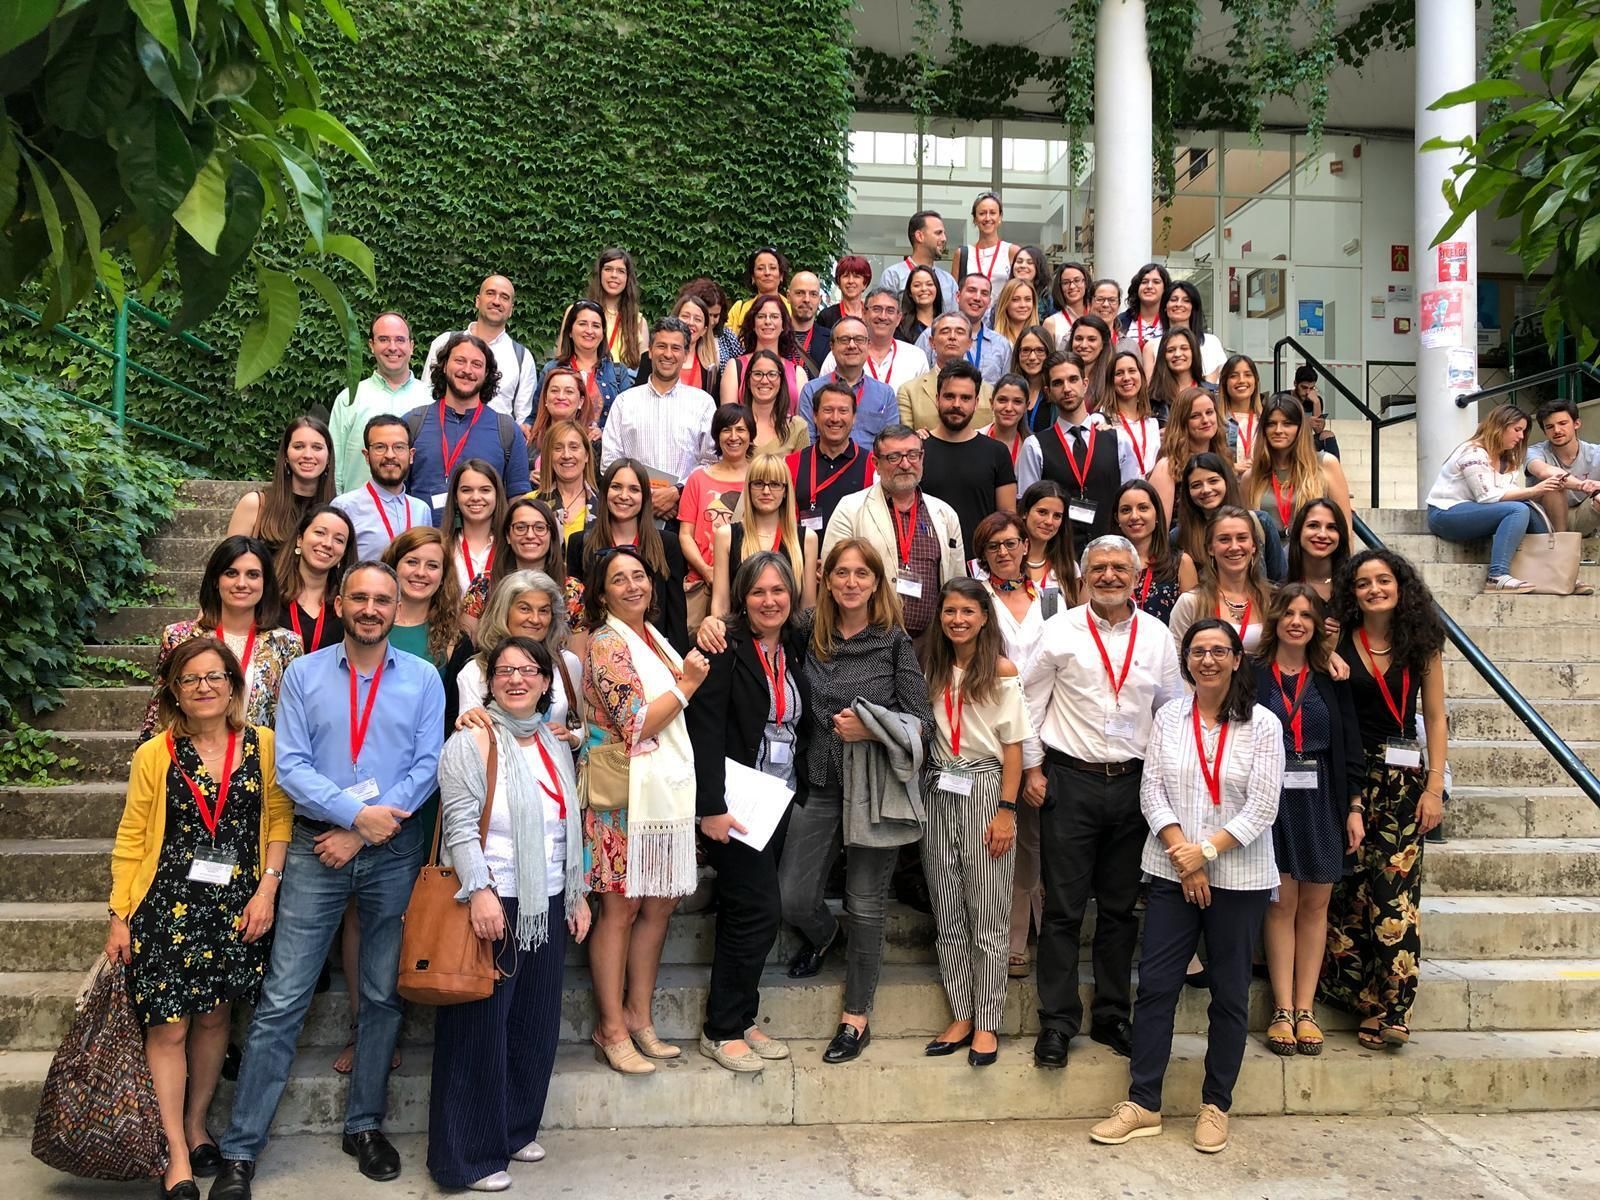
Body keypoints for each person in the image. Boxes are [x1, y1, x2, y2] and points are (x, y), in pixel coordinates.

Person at [209, 562, 445, 1198]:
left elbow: (428, 766)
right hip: (317, 849)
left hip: (394, 849)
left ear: (398, 608)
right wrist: (352, 816)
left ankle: (363, 1125)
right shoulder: (304, 674)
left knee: (380, 994)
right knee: (284, 995)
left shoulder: (423, 678)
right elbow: (290, 766)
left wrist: (368, 827)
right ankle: (240, 1148)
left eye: (383, 600)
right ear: (339, 603)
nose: (371, 609)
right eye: (360, 598)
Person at [1089, 618, 1282, 1154]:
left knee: (1228, 993)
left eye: (1219, 650)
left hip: (1239, 877)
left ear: (1236, 659)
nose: (1209, 660)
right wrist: (1187, 859)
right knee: (1155, 987)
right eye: (1198, 652)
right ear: (1187, 661)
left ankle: (1215, 1104)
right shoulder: (1171, 717)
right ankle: (1144, 1101)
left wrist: (1208, 852)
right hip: (1174, 872)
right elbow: (1152, 791)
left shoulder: (1263, 724)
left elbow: (1264, 804)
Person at [108, 639, 292, 1199]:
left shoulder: (263, 744)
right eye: (191, 680)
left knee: (214, 1020)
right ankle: (176, 1150)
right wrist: (120, 913)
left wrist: (268, 890)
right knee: (169, 1027)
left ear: (234, 687)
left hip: (238, 906)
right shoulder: (155, 754)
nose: (204, 687)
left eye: (215, 677)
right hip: (165, 905)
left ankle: (196, 1122)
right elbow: (132, 835)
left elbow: (280, 820)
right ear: (175, 692)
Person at [427, 634, 588, 1192]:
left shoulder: (552, 741)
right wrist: (480, 892)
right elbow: (459, 825)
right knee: (479, 1029)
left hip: (545, 901)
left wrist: (579, 893)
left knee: (535, 1024)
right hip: (493, 898)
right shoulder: (470, 742)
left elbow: (569, 826)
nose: (516, 679)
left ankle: (516, 1129)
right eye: (504, 671)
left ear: (547, 683)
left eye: (528, 671)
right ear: (489, 680)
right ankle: (467, 1157)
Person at [1022, 535, 1183, 1068]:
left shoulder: (1158, 637)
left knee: (1118, 910)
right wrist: (1033, 767)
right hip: (1071, 782)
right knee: (1064, 911)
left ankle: (1113, 1014)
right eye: (1100, 568)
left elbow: (1171, 711)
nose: (1110, 576)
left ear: (1137, 575)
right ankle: (1058, 1022)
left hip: (1134, 787)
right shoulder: (1060, 629)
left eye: (1120, 567)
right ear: (1084, 574)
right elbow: (1028, 701)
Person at [780, 538, 934, 1062]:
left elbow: (923, 723)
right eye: (841, 573)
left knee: (866, 907)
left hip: (873, 792)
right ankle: (823, 937)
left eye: (861, 574)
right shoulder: (806, 632)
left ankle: (856, 1016)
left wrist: (871, 729)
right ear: (826, 579)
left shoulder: (892, 641)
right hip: (819, 783)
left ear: (876, 582)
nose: (850, 582)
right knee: (793, 898)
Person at [581, 547, 709, 1075]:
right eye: (619, 579)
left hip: (662, 793)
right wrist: (688, 685)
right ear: (603, 592)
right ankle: (610, 1026)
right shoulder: (607, 643)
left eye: (639, 575)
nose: (632, 585)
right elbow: (636, 723)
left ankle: (639, 1014)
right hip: (623, 798)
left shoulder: (654, 638)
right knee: (621, 908)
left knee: (659, 904)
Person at [683, 552, 810, 1071]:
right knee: (755, 910)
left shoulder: (797, 645)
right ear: (742, 597)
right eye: (758, 592)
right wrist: (709, 807)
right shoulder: (724, 648)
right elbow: (705, 730)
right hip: (733, 805)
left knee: (752, 912)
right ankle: (720, 1027)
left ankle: (742, 1015)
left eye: (779, 591)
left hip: (776, 798)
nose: (770, 600)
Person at [1321, 549, 1448, 1050]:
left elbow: (1435, 718)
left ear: (1401, 586)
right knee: (1350, 894)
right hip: (1347, 776)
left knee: (1394, 897)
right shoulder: (1338, 639)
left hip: (1402, 782)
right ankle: (1363, 1002)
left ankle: (1396, 1006)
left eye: (1384, 580)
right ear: (1351, 592)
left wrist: (1434, 787)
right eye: (1364, 582)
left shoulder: (1422, 642)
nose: (1375, 589)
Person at [919, 578, 1032, 1066]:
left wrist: (1007, 811)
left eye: (968, 611)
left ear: (985, 617)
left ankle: (987, 1020)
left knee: (987, 908)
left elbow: (1013, 750)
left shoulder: (1001, 670)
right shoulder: (930, 666)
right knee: (947, 904)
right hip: (940, 785)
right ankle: (961, 1011)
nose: (958, 620)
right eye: (950, 611)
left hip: (986, 788)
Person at [1253, 584, 1364, 1058]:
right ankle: (1281, 1009)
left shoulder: (1331, 675)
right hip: (1269, 798)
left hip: (1320, 797)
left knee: (1315, 906)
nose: (1297, 621)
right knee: (1280, 904)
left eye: (1306, 614)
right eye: (1289, 613)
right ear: (1275, 619)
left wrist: (1355, 806)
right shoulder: (1254, 676)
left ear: (1317, 624)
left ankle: (1306, 1009)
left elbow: (1351, 743)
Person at [139, 537, 302, 742]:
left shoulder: (286, 644)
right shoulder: (180, 636)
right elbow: (159, 712)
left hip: (259, 764)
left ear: (265, 583)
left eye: (252, 574)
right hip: (190, 764)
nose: (241, 583)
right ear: (216, 580)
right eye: (231, 573)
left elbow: (292, 720)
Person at [822, 424, 967, 643]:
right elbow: (832, 574)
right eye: (894, 457)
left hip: (932, 643)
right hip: (867, 639)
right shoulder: (850, 509)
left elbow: (957, 581)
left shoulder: (945, 514)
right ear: (875, 464)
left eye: (912, 455)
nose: (906, 464)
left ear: (922, 458)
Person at [1426, 402, 1561, 593]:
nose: (1521, 436)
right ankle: (1496, 576)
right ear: (1499, 426)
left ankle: (1555, 572)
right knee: (1519, 509)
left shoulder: (1507, 459)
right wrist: (1535, 491)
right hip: (1445, 514)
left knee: (1528, 509)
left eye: (1523, 431)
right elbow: (1487, 497)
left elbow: (1510, 496)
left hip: (1476, 513)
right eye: (1517, 429)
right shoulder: (1473, 452)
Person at [566, 458, 691, 652]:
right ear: (605, 491)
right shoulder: (579, 544)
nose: (624, 495)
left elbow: (676, 617)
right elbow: (577, 615)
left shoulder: (667, 544)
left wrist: (679, 667)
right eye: (616, 487)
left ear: (644, 497)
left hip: (654, 654)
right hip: (600, 654)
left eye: (634, 489)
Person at [601, 317, 717, 525]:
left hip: (684, 517)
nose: (668, 354)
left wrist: (676, 492)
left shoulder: (703, 404)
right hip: (631, 515)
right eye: (661, 346)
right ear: (651, 350)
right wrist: (644, 496)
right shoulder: (625, 402)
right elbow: (609, 462)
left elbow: (711, 462)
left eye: (676, 348)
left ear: (685, 354)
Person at [405, 332, 532, 519]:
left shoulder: (507, 430)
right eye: (460, 361)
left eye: (477, 364)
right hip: (422, 543)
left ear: (487, 373)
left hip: (486, 544)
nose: (467, 370)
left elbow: (518, 500)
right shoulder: (412, 423)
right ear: (445, 364)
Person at [1015, 350, 1139, 543]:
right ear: (1047, 392)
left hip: (1111, 550)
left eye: (1073, 379)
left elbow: (1132, 500)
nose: (1067, 388)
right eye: (1058, 383)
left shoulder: (1118, 440)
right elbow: (1029, 510)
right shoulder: (1034, 446)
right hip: (1059, 556)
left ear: (1085, 384)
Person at [457, 570, 586, 741]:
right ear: (504, 612)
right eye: (525, 609)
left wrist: (573, 739)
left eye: (543, 611)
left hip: (558, 764)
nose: (535, 619)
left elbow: (580, 723)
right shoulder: (475, 671)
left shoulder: (568, 664)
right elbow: (470, 736)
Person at [918, 359, 1017, 550]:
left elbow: (1007, 518)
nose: (957, 404)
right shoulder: (917, 451)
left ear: (976, 402)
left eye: (965, 398)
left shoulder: (997, 452)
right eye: (949, 396)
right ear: (937, 398)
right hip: (927, 558)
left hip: (979, 565)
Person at [328, 313, 431, 494]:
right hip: (356, 516)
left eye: (400, 340)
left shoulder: (431, 399)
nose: (392, 347)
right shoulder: (349, 399)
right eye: (383, 339)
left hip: (415, 516)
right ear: (371, 345)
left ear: (411, 346)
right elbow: (334, 468)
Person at [710, 453, 820, 618]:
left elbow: (808, 608)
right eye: (759, 483)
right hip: (740, 637)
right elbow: (721, 603)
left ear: (785, 491)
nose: (766, 491)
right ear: (748, 488)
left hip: (789, 638)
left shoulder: (806, 539)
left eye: (775, 484)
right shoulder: (727, 535)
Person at [420, 275, 538, 429]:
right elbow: (426, 395)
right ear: (477, 301)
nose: (496, 301)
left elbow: (524, 419)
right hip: (441, 436)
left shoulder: (522, 357)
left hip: (494, 445)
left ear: (511, 310)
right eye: (490, 293)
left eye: (504, 297)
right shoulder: (444, 342)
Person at [677, 405, 757, 631]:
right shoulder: (698, 478)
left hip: (749, 583)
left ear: (751, 435)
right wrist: (706, 570)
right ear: (716, 435)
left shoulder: (758, 478)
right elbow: (685, 535)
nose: (733, 437)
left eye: (741, 430)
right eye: (726, 430)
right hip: (703, 583)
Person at [1245, 393, 1355, 551]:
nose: (1278, 430)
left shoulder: (1326, 464)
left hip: (1314, 564)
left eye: (1287, 423)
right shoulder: (1251, 477)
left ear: (1300, 428)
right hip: (1268, 568)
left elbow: (1345, 527)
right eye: (1271, 424)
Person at [1169, 505, 1276, 653]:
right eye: (1224, 539)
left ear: (1254, 547)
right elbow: (1178, 662)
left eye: (1242, 538)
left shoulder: (1272, 601)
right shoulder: (1191, 603)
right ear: (1210, 548)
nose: (1234, 546)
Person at [227, 417, 335, 557]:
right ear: (285, 455)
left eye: (317, 447)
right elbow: (228, 566)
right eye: (298, 446)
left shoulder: (339, 509)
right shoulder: (256, 505)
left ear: (328, 457)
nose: (308, 455)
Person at [333, 416, 434, 562]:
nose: (390, 455)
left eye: (399, 447)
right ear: (367, 456)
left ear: (411, 455)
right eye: (380, 447)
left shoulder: (421, 510)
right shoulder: (345, 507)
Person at [1173, 452, 1286, 582]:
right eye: (1196, 485)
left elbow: (1280, 581)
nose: (1206, 489)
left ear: (1227, 482)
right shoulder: (1179, 536)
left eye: (1213, 481)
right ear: (1188, 492)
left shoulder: (1260, 522)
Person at [462, 496, 566, 629]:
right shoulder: (483, 585)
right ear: (508, 536)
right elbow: (467, 646)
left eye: (539, 528)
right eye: (520, 527)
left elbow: (575, 649)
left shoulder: (571, 589)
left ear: (551, 536)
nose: (530, 535)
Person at [790, 380, 879, 535]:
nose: (835, 418)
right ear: (815, 416)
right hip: (804, 557)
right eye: (828, 410)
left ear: (854, 417)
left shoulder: (872, 466)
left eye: (843, 411)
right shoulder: (792, 464)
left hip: (854, 557)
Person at [798, 316, 900, 451]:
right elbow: (807, 443)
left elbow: (891, 445)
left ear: (868, 345)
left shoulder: (885, 394)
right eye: (844, 340)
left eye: (859, 339)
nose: (852, 345)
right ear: (832, 347)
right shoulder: (811, 390)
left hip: (870, 469)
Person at [275, 504, 358, 654]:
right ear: (300, 539)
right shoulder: (268, 594)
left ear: (344, 553)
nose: (327, 544)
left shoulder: (348, 605)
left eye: (339, 540)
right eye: (320, 533)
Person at [1114, 479, 1198, 625]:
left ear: (1157, 514)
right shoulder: (1104, 564)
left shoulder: (1181, 563)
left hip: (1167, 646)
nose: (1134, 516)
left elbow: (1195, 622)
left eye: (1143, 508)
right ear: (1117, 519)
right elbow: (1084, 613)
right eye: (1126, 510)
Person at [538, 301, 628, 435]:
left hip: (604, 452)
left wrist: (604, 433)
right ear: (569, 331)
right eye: (582, 324)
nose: (589, 331)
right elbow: (536, 416)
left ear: (602, 334)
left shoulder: (618, 372)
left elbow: (626, 421)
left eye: (596, 326)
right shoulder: (552, 369)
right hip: (559, 448)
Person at [899, 311, 998, 432]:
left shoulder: (988, 392)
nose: (952, 337)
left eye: (960, 332)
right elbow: (905, 439)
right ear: (932, 342)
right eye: (945, 331)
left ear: (969, 343)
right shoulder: (909, 392)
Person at [383, 527, 463, 671]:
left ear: (443, 577)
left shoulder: (455, 640)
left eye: (432, 566)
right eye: (412, 562)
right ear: (393, 566)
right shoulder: (365, 621)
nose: (420, 573)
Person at [819, 285, 928, 392]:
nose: (882, 316)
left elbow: (923, 403)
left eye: (890, 311)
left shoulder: (916, 357)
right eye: (876, 309)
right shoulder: (840, 354)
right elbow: (821, 398)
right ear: (864, 313)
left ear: (898, 318)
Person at [1146, 385, 1232, 521]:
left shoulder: (1224, 457)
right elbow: (1161, 531)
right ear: (1182, 422)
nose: (1205, 420)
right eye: (1195, 416)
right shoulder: (1167, 467)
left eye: (1209, 412)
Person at [720, 293, 815, 408]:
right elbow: (728, 419)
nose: (768, 321)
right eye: (761, 316)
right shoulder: (735, 367)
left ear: (783, 324)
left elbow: (803, 421)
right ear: (753, 324)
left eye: (774, 316)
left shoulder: (798, 373)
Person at [914, 274, 1013, 384]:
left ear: (989, 302)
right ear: (958, 296)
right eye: (971, 290)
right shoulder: (930, 335)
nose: (977, 298)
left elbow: (1007, 388)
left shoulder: (1001, 345)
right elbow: (918, 382)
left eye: (984, 293)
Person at [1526, 397, 1600, 534]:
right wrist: (1582, 485)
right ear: (1544, 431)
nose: (1557, 430)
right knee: (1553, 484)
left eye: (1563, 423)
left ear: (1576, 423)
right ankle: (1560, 544)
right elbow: (1544, 471)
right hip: (1546, 522)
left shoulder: (1596, 453)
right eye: (1550, 427)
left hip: (1583, 516)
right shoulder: (1534, 452)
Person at [575, 248, 648, 372]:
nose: (614, 275)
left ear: (627, 278)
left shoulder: (638, 322)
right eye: (608, 269)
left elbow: (642, 372)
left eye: (621, 271)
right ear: (600, 274)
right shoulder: (577, 312)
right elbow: (562, 358)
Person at [440, 459, 508, 593]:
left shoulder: (512, 545)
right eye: (466, 490)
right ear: (455, 497)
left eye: (485, 490)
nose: (476, 497)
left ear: (497, 495)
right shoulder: (442, 547)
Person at [1143, 280, 1225, 382]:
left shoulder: (1210, 342)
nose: (1178, 304)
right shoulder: (1151, 346)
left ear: (1193, 307)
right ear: (1165, 306)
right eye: (1173, 299)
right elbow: (1151, 389)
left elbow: (1209, 385)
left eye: (1186, 300)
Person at [880, 209, 958, 311]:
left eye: (943, 233)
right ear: (920, 236)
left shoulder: (948, 281)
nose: (944, 239)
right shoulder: (893, 276)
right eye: (938, 233)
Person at [1100, 349, 1160, 479]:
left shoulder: (1153, 423)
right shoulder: (1102, 421)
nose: (1126, 378)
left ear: (1141, 377)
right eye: (1119, 373)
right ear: (1111, 381)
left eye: (1132, 371)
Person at [538, 419, 599, 545]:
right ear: (549, 456)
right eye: (558, 448)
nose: (566, 455)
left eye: (574, 447)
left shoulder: (605, 506)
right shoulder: (531, 503)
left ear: (586, 455)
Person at [740, 348, 811, 456]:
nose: (764, 381)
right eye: (758, 374)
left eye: (772, 374)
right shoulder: (734, 425)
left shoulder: (797, 427)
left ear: (781, 381)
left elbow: (803, 471)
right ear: (748, 381)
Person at [1018, 480, 1081, 601]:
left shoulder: (1069, 567)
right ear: (1025, 512)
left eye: (1057, 516)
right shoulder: (1006, 561)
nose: (1049, 522)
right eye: (1042, 512)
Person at [951, 190, 1016, 301]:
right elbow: (954, 295)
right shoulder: (963, 254)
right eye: (982, 213)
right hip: (969, 317)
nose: (987, 218)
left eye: (992, 213)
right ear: (975, 219)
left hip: (1001, 317)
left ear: (1000, 217)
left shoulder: (1011, 251)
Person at [1286, 498, 1351, 605]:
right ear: (1299, 531)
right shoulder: (1279, 591)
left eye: (1332, 527)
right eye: (1313, 525)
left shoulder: (1355, 587)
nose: (1322, 535)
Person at [725, 246, 792, 334]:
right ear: (753, 277)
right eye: (760, 268)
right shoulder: (739, 309)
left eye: (772, 268)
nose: (767, 273)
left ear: (781, 275)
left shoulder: (792, 308)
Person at [1146, 328, 1206, 425]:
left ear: (1193, 352)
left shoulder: (1212, 393)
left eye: (1184, 348)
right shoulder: (1151, 399)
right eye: (1171, 350)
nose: (1177, 354)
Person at [1220, 354, 1264, 470]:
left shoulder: (1266, 420)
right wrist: (1231, 468)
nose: (1241, 380)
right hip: (1229, 485)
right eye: (1234, 376)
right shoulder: (1216, 420)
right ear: (1225, 382)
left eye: (1248, 375)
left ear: (1256, 380)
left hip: (1261, 485)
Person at [1115, 262, 1171, 355]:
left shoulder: (1171, 321)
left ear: (1165, 288)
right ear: (1137, 287)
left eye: (1156, 282)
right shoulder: (1120, 322)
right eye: (1144, 282)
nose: (1149, 286)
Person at [979, 372, 1030, 469]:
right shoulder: (975, 439)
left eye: (1017, 402)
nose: (1009, 408)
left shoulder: (1032, 447)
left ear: (1026, 407)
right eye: (1002, 400)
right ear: (991, 403)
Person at [1068, 312, 1115, 413]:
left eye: (1092, 339)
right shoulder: (1060, 373)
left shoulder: (1114, 377)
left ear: (1103, 344)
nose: (1084, 345)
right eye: (1079, 339)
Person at [1009, 326, 1053, 432]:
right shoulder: (1009, 391)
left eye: (1040, 350)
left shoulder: (1056, 393)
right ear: (1017, 354)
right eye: (1026, 350)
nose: (1032, 357)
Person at [1293, 365, 1342, 459]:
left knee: (1328, 434)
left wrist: (1316, 402)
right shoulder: (1284, 398)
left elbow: (1318, 430)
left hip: (1307, 440)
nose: (1308, 392)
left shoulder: (1315, 399)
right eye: (1304, 387)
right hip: (1291, 440)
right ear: (1295, 384)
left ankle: (1334, 471)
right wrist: (1305, 423)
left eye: (1311, 388)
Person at [788, 270, 830, 373]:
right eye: (799, 293)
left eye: (813, 294)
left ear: (819, 300)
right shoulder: (774, 336)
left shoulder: (831, 340)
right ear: (788, 297)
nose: (806, 299)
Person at [1043, 260, 1091, 346]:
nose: (1072, 286)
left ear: (1085, 283)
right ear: (1060, 287)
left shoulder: (1097, 315)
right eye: (1066, 283)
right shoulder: (1051, 323)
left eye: (1077, 280)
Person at [818, 255, 872, 328]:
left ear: (865, 283)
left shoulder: (872, 314)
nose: (850, 281)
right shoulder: (826, 316)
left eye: (856, 276)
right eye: (846, 276)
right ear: (838, 282)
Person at [896, 262, 944, 345]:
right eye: (917, 285)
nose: (924, 289)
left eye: (929, 284)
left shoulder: (946, 323)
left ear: (936, 289)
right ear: (910, 292)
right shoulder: (900, 327)